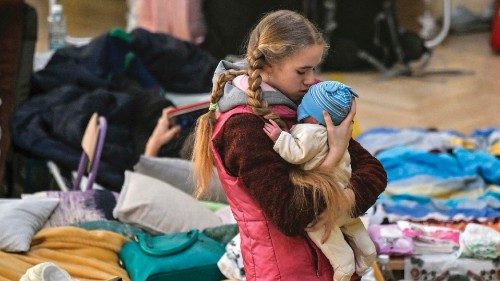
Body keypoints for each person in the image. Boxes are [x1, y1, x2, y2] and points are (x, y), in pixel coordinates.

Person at [191, 10, 387, 280]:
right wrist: (335, 160)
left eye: (314, 68)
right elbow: (291, 215)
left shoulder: (309, 99)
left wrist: (337, 203)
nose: (310, 80)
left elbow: (374, 171)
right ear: (268, 65)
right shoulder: (244, 128)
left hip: (333, 266)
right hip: (288, 271)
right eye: (302, 71)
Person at [263, 80, 377, 281]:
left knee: (338, 252)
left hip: (327, 206)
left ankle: (349, 270)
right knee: (362, 240)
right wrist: (336, 154)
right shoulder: (336, 134)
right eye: (302, 72)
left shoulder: (308, 132)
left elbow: (296, 154)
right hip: (339, 201)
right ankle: (364, 262)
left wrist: (280, 138)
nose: (309, 79)